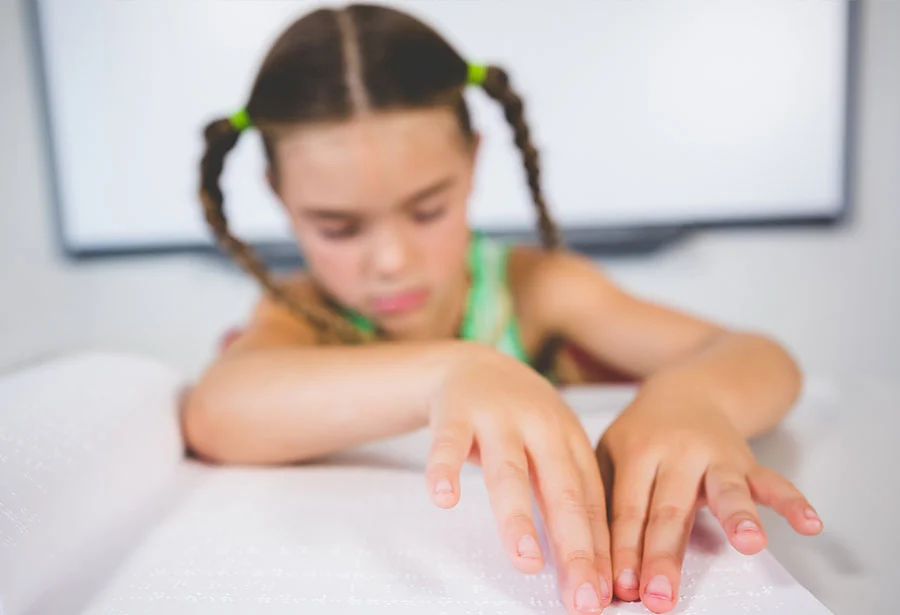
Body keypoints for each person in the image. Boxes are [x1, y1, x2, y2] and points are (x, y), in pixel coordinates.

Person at [183, 5, 822, 613]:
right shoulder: (298, 312)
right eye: (338, 228)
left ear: (472, 162)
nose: (391, 260)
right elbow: (216, 411)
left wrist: (693, 398)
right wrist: (452, 372)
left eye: (428, 210)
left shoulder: (537, 289)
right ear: (279, 196)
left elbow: (762, 358)